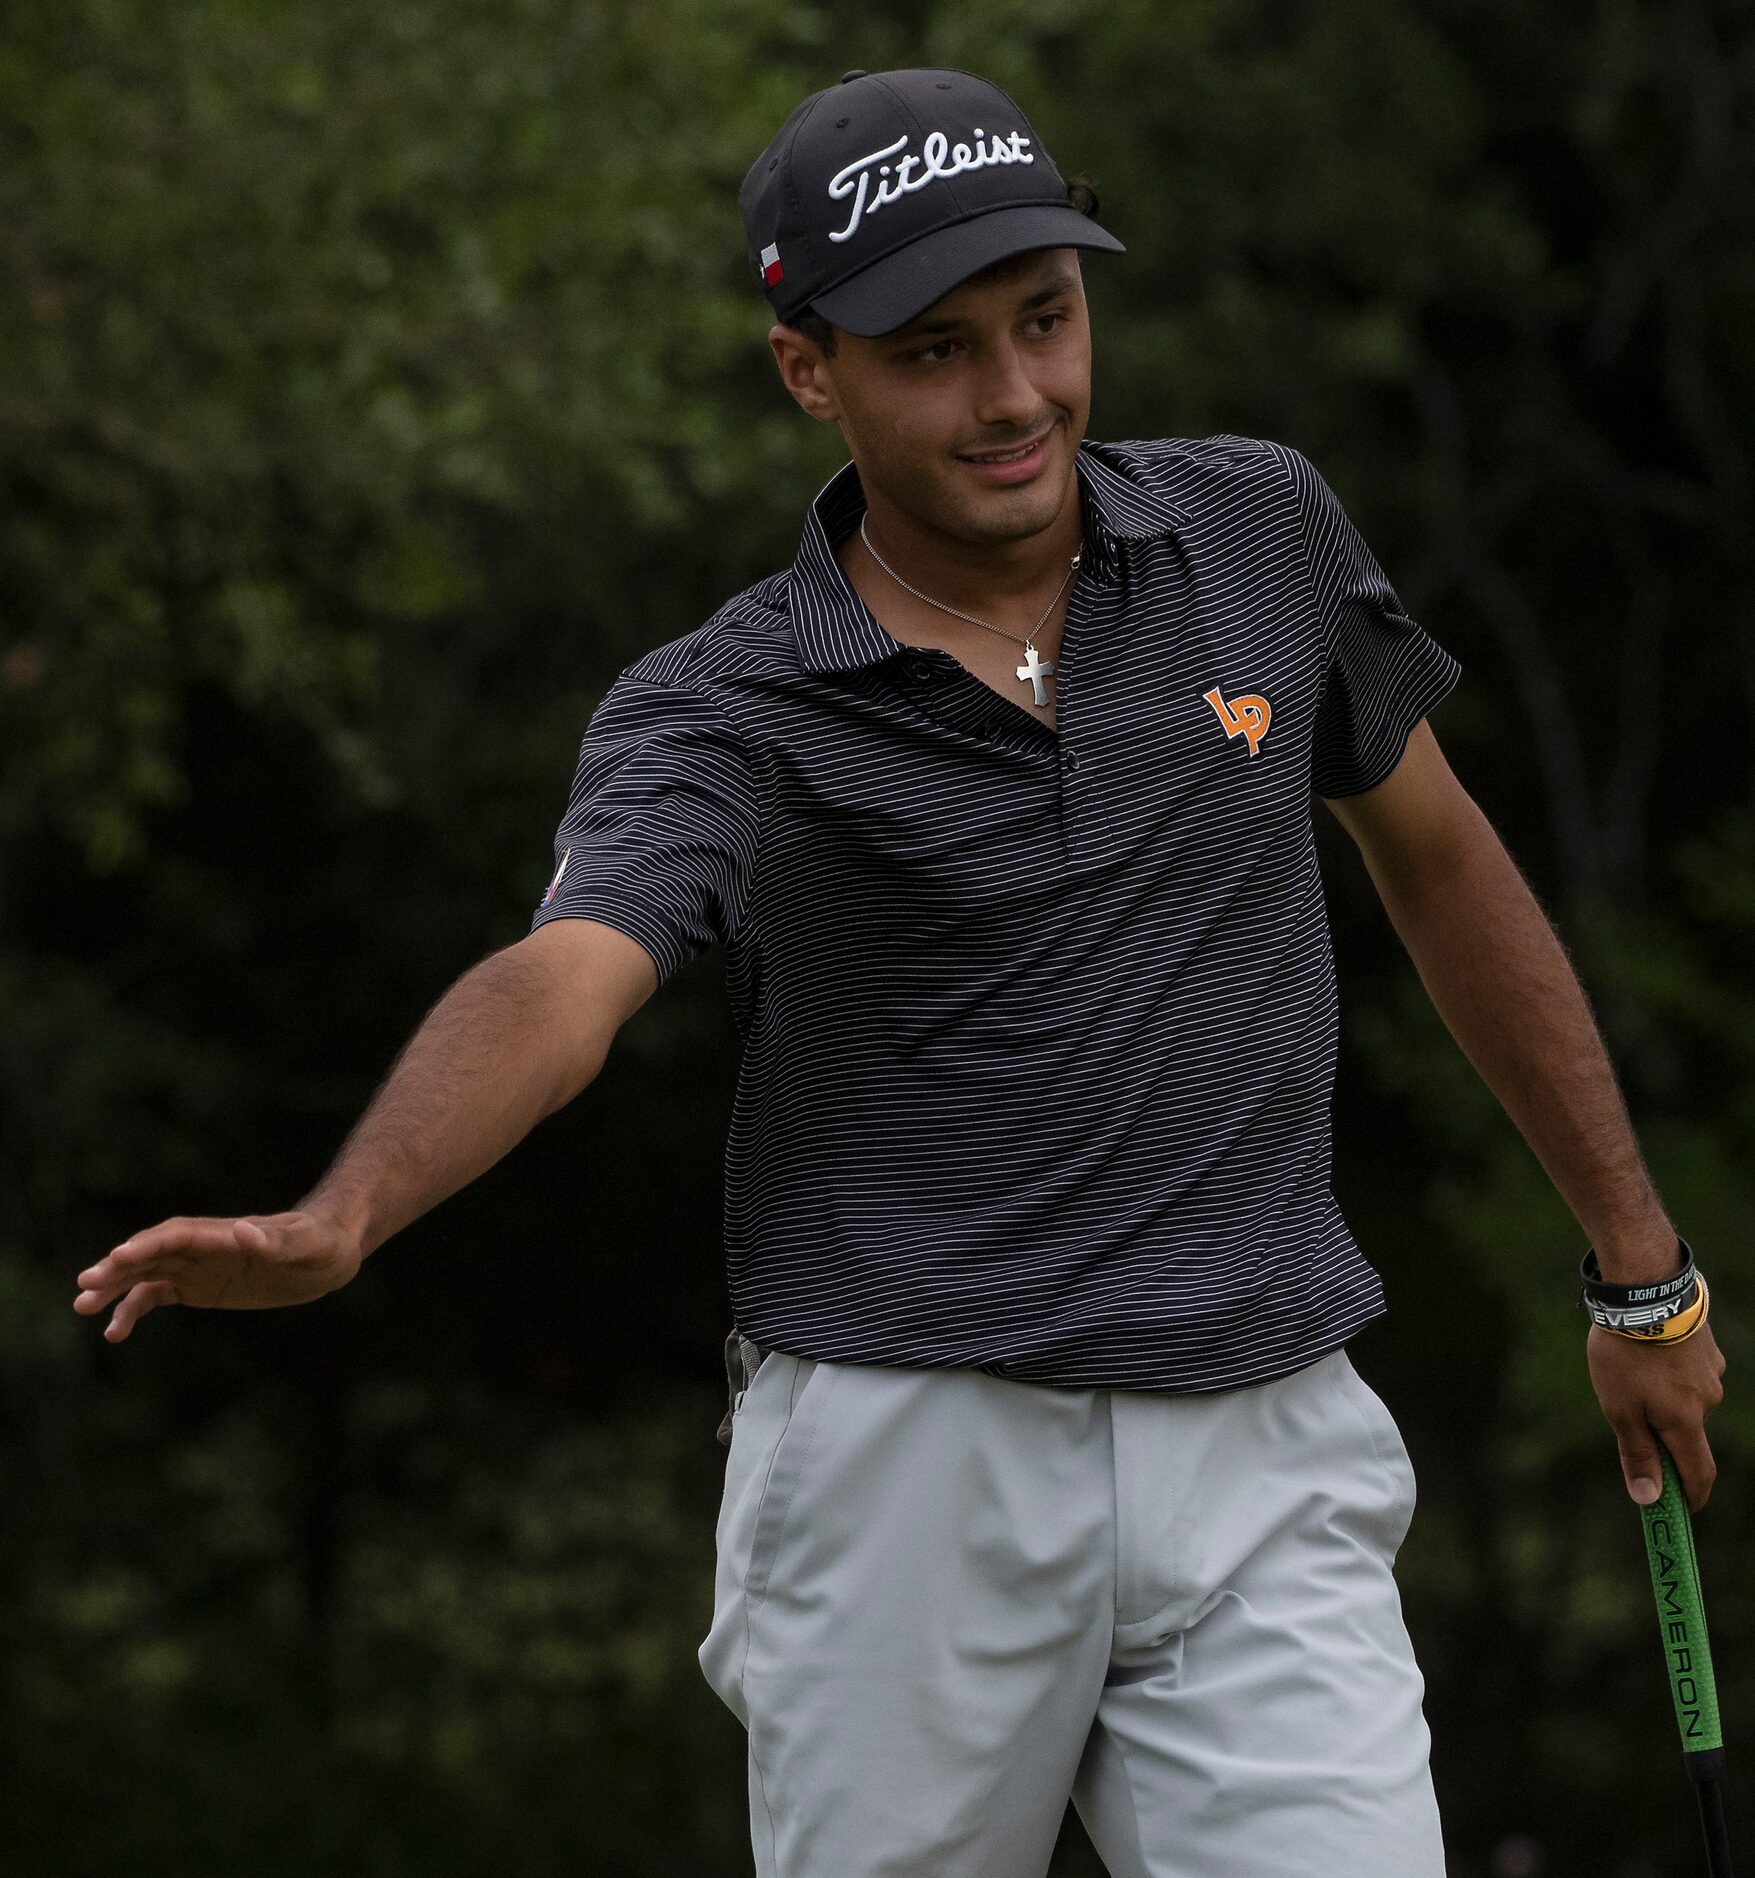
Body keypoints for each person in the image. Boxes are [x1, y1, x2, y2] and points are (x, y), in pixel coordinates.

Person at [73, 64, 1726, 1878]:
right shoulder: (727, 708)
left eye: (1047, 319)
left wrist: (1639, 1275)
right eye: (936, 350)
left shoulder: (1259, 533)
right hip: (910, 1465)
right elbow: (565, 984)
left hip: (1264, 1432)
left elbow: (1444, 863)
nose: (1018, 396)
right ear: (810, 368)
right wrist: (347, 1214)